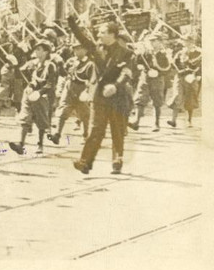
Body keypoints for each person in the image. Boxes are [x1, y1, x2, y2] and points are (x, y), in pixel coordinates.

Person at [69, 18, 135, 175]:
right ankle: (85, 162)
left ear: (112, 34)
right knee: (95, 130)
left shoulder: (127, 53)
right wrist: (71, 21)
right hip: (99, 96)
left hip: (118, 97)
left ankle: (117, 159)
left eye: (102, 32)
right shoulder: (96, 49)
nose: (98, 34)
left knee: (117, 130)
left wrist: (116, 86)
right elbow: (82, 38)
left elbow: (127, 73)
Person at [9, 40, 57, 156]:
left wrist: (40, 92)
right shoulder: (34, 64)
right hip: (31, 93)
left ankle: (40, 144)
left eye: (39, 49)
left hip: (43, 95)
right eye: (35, 49)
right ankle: (21, 144)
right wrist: (16, 65)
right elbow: (25, 75)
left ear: (46, 52)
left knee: (41, 120)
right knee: (25, 117)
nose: (36, 51)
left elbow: (50, 83)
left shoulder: (50, 66)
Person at [48, 41, 93, 144]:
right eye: (75, 49)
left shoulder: (89, 63)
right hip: (69, 87)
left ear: (86, 50)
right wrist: (59, 64)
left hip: (82, 88)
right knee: (63, 109)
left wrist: (87, 91)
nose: (77, 51)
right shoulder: (70, 61)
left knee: (85, 114)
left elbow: (91, 78)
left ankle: (86, 135)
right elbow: (64, 74)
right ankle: (57, 134)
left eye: (79, 48)